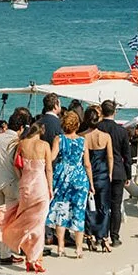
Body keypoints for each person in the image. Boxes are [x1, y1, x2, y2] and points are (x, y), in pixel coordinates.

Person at [0, 122, 54, 272]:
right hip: (40, 186)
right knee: (39, 224)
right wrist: (50, 187)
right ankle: (35, 260)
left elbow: (16, 165)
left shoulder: (22, 144)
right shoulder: (44, 145)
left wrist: (22, 177)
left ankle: (30, 257)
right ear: (41, 131)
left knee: (26, 221)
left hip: (26, 185)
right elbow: (48, 169)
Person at [46, 110, 94, 257]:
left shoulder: (59, 139)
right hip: (79, 178)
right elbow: (87, 164)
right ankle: (79, 249)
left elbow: (52, 157)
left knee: (61, 211)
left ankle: (61, 247)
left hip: (62, 178)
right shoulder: (82, 141)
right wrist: (91, 183)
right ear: (77, 125)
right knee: (79, 212)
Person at [97, 99, 132, 245]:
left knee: (101, 205)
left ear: (101, 111)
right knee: (115, 206)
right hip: (118, 170)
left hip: (100, 169)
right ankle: (115, 236)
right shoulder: (121, 131)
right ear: (115, 112)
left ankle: (100, 235)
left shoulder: (97, 128)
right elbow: (127, 155)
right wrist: (128, 174)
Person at [80, 106, 114, 251]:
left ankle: (90, 235)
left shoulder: (83, 137)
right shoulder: (106, 136)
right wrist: (110, 173)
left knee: (89, 207)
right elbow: (110, 157)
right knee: (104, 207)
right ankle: (104, 237)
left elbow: (85, 161)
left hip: (89, 174)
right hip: (103, 173)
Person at [0, 114, 20, 264]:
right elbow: (17, 163)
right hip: (11, 182)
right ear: (20, 128)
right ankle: (6, 254)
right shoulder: (16, 141)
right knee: (8, 218)